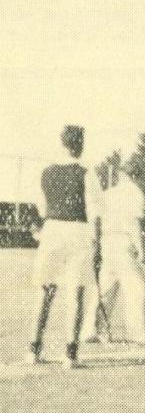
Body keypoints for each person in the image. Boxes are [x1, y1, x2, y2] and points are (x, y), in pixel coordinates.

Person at [25, 125, 102, 368]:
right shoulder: (87, 173)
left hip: (52, 231)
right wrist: (98, 246)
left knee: (45, 292)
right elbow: (95, 215)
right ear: (80, 145)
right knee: (75, 294)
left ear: (62, 144)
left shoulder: (46, 172)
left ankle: (33, 351)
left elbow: (38, 209)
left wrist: (40, 232)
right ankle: (70, 356)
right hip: (77, 231)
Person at [82, 168, 145, 343]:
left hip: (106, 243)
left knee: (105, 290)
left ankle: (90, 331)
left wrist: (98, 244)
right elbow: (133, 223)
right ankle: (137, 333)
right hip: (123, 245)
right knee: (137, 288)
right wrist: (142, 251)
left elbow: (97, 219)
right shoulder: (135, 193)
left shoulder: (108, 193)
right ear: (135, 176)